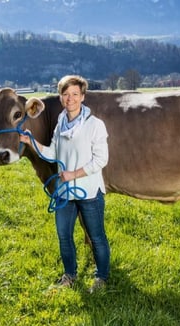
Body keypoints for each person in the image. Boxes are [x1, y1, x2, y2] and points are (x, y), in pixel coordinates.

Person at [19, 75, 111, 293]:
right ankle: (69, 275)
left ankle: (101, 278)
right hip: (64, 193)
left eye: (75, 94)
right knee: (64, 236)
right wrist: (31, 141)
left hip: (88, 191)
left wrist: (74, 174)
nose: (70, 99)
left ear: (83, 97)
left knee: (97, 237)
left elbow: (101, 159)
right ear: (61, 98)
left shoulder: (95, 125)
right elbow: (53, 153)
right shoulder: (60, 125)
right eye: (66, 94)